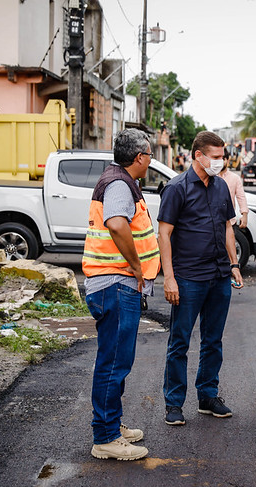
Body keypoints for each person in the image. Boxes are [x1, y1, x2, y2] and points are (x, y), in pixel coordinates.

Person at [81, 129, 161, 461]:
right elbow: (116, 224)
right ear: (140, 156)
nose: (151, 161)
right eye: (150, 155)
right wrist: (138, 266)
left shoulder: (119, 180)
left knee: (117, 360)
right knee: (114, 362)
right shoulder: (118, 184)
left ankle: (111, 425)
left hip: (113, 284)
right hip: (115, 283)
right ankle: (106, 438)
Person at [158, 131, 244, 426]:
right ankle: (174, 403)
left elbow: (228, 228)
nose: (221, 162)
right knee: (179, 342)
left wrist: (234, 264)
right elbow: (164, 234)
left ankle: (208, 396)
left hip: (219, 275)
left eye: (223, 157)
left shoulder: (221, 187)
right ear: (199, 155)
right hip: (189, 278)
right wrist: (169, 278)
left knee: (213, 341)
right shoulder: (177, 188)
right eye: (216, 157)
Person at [219, 164, 248, 229]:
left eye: (223, 159)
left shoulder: (235, 178)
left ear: (228, 160)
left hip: (230, 222)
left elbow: (241, 197)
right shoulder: (210, 177)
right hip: (212, 223)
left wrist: (244, 214)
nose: (220, 161)